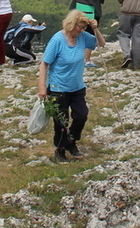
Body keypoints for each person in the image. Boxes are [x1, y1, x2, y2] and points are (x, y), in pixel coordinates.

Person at [38, 9, 97, 163]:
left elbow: (100, 43)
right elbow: (44, 64)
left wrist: (95, 29)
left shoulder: (83, 37)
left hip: (77, 86)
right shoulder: (57, 39)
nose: (82, 30)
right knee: (61, 121)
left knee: (81, 115)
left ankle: (72, 141)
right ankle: (60, 149)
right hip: (58, 88)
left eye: (84, 27)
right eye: (80, 27)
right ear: (72, 24)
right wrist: (42, 88)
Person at [66, 0, 109, 64]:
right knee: (90, 33)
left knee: (76, 31)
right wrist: (99, 0)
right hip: (91, 11)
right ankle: (87, 59)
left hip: (78, 10)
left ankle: (75, 56)